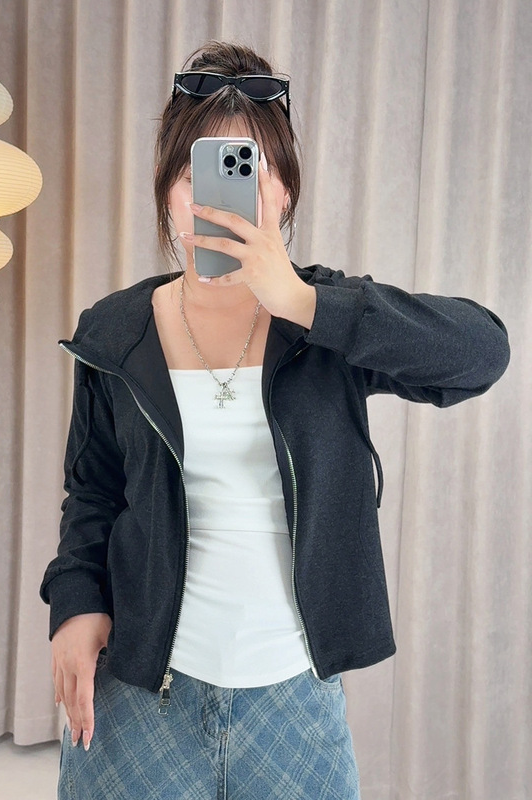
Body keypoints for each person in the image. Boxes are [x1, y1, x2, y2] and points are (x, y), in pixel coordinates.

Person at [39, 40, 510, 800]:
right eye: (197, 174)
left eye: (246, 172)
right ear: (168, 192)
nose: (218, 200)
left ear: (284, 192)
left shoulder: (330, 322)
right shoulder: (114, 330)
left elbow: (482, 353)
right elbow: (92, 492)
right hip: (142, 694)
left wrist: (303, 303)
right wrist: (76, 604)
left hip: (294, 703)